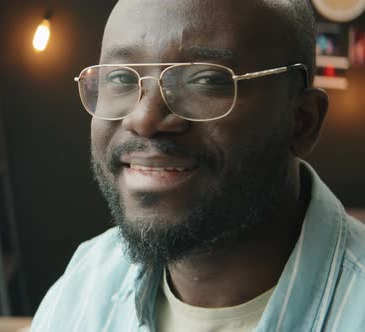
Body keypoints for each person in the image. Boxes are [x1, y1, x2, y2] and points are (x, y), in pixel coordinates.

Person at [32, 0, 365, 331]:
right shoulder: (84, 285)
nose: (145, 119)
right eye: (120, 78)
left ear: (302, 121)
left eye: (205, 80)